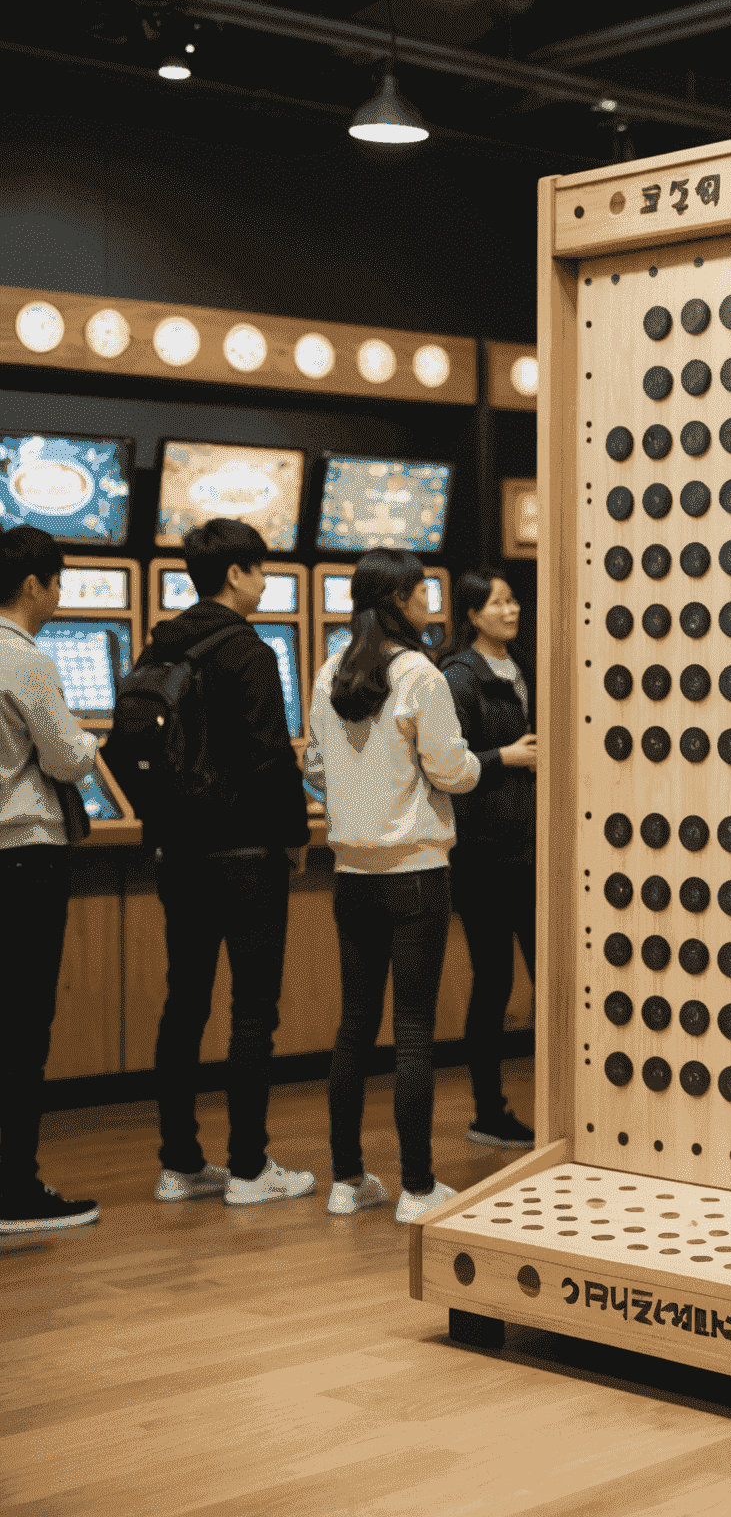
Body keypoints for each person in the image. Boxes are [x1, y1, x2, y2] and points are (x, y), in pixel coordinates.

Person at [305, 548, 482, 1223]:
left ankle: (347, 1181)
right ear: (400, 599)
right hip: (415, 873)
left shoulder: (328, 671)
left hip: (351, 876)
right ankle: (416, 1187)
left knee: (354, 1029)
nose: (430, 601)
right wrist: (466, 766)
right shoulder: (419, 674)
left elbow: (317, 766)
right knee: (412, 1033)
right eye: (422, 591)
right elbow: (452, 770)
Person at [147, 518, 313, 1207]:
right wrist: (296, 834)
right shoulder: (249, 650)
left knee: (183, 1005)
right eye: (261, 570)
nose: (265, 582)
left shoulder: (162, 644)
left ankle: (180, 1164)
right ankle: (249, 1168)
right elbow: (270, 755)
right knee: (252, 1011)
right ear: (239, 574)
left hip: (178, 852)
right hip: (246, 852)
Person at [0, 527, 101, 1234]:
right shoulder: (25, 659)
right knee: (23, 1026)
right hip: (27, 854)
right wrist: (94, 741)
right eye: (58, 581)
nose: (60, 595)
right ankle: (15, 1191)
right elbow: (66, 759)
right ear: (33, 584)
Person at [438, 569, 539, 1152]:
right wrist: (505, 757)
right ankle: (488, 1109)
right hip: (483, 853)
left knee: (545, 977)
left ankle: (555, 1105)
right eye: (498, 603)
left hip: (529, 848)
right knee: (494, 980)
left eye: (513, 600)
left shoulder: (521, 667)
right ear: (473, 614)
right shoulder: (459, 677)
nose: (511, 610)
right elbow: (451, 763)